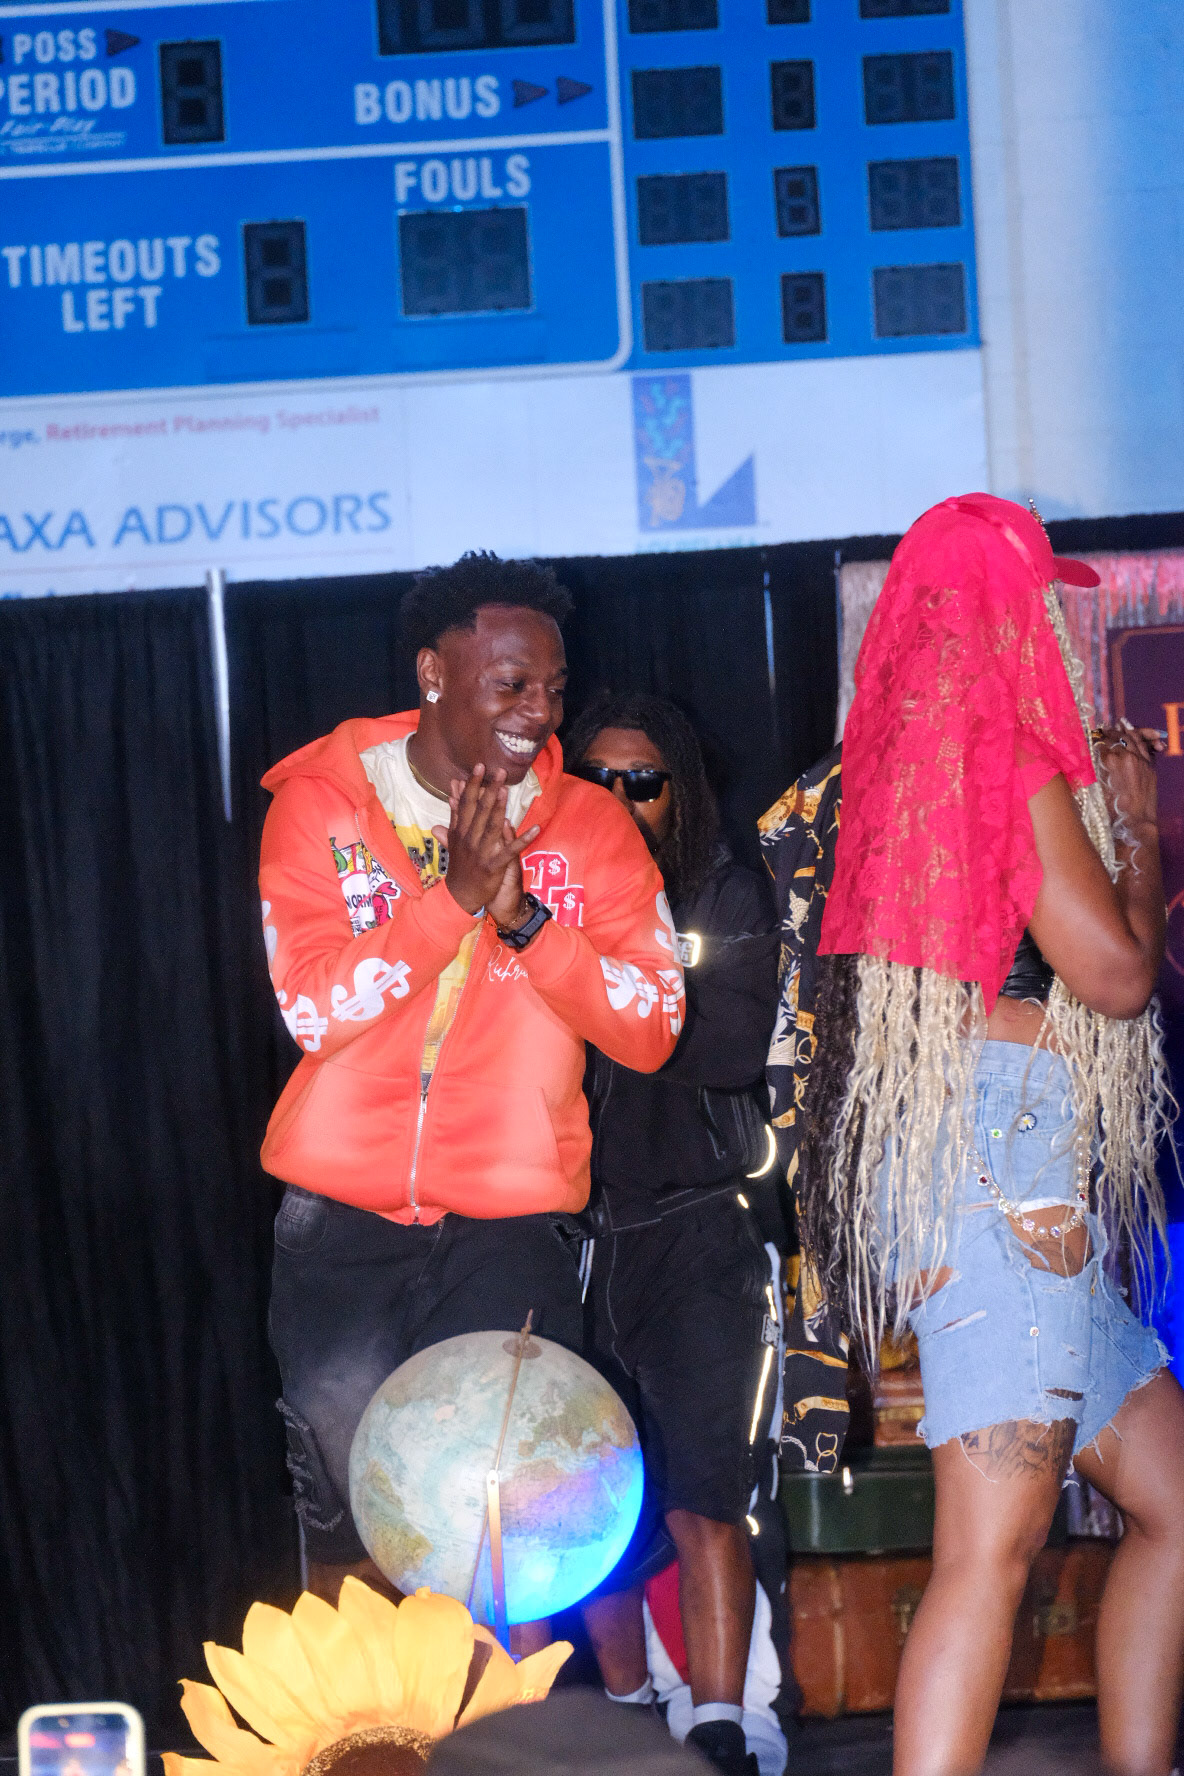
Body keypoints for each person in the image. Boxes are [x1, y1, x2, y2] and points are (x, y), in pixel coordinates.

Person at [799, 494, 1184, 1776]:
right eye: (1044, 607)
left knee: (1173, 1505)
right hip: (1003, 1180)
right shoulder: (1006, 756)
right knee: (988, 1551)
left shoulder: (895, 758)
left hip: (985, 1170)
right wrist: (1138, 827)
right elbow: (1114, 978)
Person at [258, 555, 686, 1635]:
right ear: (433, 673)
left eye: (552, 688)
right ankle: (368, 1722)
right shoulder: (321, 804)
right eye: (511, 684)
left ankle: (501, 1727)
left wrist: (527, 924)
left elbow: (650, 1029)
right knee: (351, 1509)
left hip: (509, 1224)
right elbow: (313, 1008)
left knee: (502, 1505)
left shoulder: (591, 830)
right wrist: (450, 901)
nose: (539, 712)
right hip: (340, 1222)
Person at [563, 692, 783, 1776]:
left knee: (704, 1494)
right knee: (581, 1504)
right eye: (595, 779)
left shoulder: (722, 892)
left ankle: (722, 1728)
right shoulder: (540, 895)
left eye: (641, 782)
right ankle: (628, 1705)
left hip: (700, 1232)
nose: (617, 799)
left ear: (680, 792)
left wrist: (592, 976)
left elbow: (729, 1049)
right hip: (571, 1238)